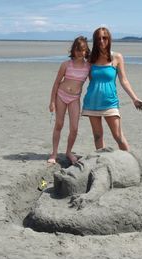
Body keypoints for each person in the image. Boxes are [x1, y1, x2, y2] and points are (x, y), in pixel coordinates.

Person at [82, 27, 142, 151]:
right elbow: (84, 79)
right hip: (92, 102)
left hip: (110, 103)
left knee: (118, 136)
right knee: (97, 136)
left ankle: (130, 161)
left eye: (104, 38)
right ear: (95, 40)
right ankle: (102, 161)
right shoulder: (90, 59)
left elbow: (124, 80)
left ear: (109, 39)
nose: (101, 41)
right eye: (98, 38)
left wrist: (134, 98)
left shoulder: (117, 57)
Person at [48, 36, 90, 164]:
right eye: (77, 49)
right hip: (61, 95)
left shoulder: (88, 67)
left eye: (82, 50)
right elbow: (56, 83)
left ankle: (68, 151)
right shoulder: (66, 65)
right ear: (73, 50)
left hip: (75, 99)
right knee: (59, 124)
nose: (79, 52)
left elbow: (95, 81)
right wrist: (52, 102)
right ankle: (54, 153)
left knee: (74, 128)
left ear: (86, 51)